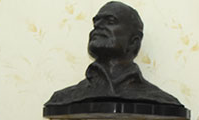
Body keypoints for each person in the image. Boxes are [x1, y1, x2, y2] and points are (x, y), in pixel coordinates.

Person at [44, 1, 184, 108]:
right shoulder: (62, 99)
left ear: (134, 41)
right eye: (96, 23)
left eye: (110, 21)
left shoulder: (161, 100)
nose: (98, 26)